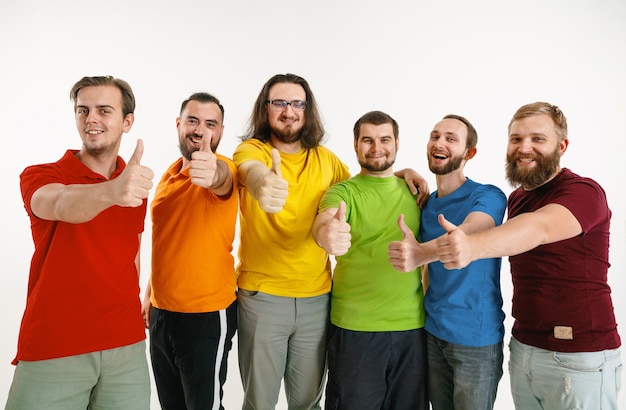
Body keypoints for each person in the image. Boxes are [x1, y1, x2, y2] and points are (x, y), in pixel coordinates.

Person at [232, 73, 429, 409]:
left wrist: (398, 173)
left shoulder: (327, 161)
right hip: (264, 297)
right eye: (278, 102)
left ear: (308, 111)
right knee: (259, 402)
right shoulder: (253, 150)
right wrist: (263, 182)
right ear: (265, 109)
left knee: (309, 401)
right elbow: (250, 171)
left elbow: (364, 184)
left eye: (297, 103)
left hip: (317, 300)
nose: (288, 110)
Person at [434, 102, 622, 409]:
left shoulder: (584, 192)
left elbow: (539, 228)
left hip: (580, 356)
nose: (524, 148)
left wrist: (471, 248)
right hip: (524, 349)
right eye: (516, 139)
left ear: (562, 146)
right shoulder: (517, 198)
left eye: (537, 139)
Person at [6, 75, 153, 409]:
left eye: (104, 110)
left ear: (127, 122)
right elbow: (59, 204)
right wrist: (112, 192)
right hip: (55, 347)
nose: (91, 119)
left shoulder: (134, 185)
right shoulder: (41, 175)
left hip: (126, 349)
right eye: (83, 110)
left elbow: (132, 255)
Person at [388, 114, 507, 409]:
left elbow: (472, 231)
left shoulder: (488, 195)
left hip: (476, 339)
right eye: (435, 136)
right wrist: (401, 172)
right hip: (432, 333)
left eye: (451, 139)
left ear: (469, 153)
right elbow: (373, 181)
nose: (439, 143)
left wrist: (420, 254)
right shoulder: (425, 204)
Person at [313, 110, 428, 409]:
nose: (376, 147)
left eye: (384, 139)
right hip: (355, 330)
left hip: (412, 329)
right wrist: (328, 233)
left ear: (397, 143)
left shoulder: (415, 192)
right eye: (367, 140)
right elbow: (325, 221)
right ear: (355, 144)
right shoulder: (344, 192)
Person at [141, 93, 238, 409]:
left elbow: (220, 181)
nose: (200, 130)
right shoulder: (169, 174)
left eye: (211, 124)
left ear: (221, 131)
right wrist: (150, 293)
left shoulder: (223, 168)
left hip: (205, 314)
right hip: (162, 314)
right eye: (193, 121)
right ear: (179, 124)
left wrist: (213, 175)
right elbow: (167, 239)